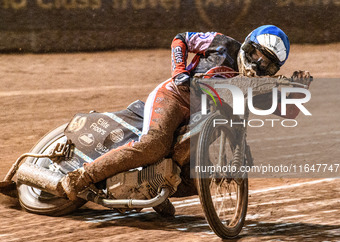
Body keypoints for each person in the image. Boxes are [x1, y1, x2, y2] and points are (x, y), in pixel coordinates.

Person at [60, 25, 312, 216]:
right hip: (176, 96)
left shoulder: (257, 87)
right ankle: (79, 178)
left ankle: (153, 190)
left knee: (200, 177)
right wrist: (179, 70)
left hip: (202, 123)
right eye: (257, 53)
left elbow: (288, 112)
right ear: (248, 46)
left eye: (267, 63)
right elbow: (181, 38)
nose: (258, 63)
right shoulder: (221, 43)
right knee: (154, 145)